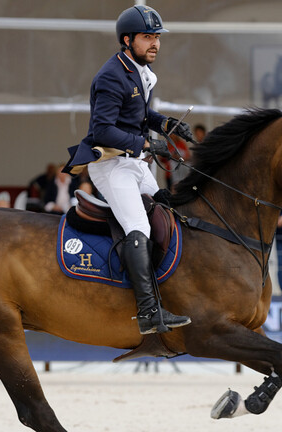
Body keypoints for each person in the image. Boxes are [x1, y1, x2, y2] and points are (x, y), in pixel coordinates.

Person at [62, 5, 193, 334]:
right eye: (148, 37)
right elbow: (104, 130)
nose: (155, 44)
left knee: (166, 207)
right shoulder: (111, 75)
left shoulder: (137, 70)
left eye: (157, 38)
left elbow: (140, 113)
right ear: (127, 39)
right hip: (109, 165)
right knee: (140, 226)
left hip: (133, 163)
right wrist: (149, 145)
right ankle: (148, 312)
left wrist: (167, 124)